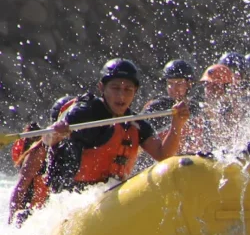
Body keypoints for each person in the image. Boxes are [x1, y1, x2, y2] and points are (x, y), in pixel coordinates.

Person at [44, 59, 190, 193]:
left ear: (135, 92)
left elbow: (163, 155)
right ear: (102, 87)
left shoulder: (136, 123)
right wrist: (57, 133)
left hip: (111, 194)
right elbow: (47, 139)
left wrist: (177, 124)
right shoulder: (84, 112)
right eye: (115, 88)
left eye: (128, 90)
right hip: (76, 194)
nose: (121, 96)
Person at [7, 95, 73, 225]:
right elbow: (21, 185)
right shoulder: (40, 149)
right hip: (30, 213)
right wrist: (12, 220)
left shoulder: (74, 145)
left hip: (52, 212)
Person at [142, 59, 206, 152]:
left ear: (189, 84)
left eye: (179, 83)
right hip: (163, 159)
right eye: (170, 83)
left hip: (190, 160)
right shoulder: (157, 106)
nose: (173, 88)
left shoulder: (195, 107)